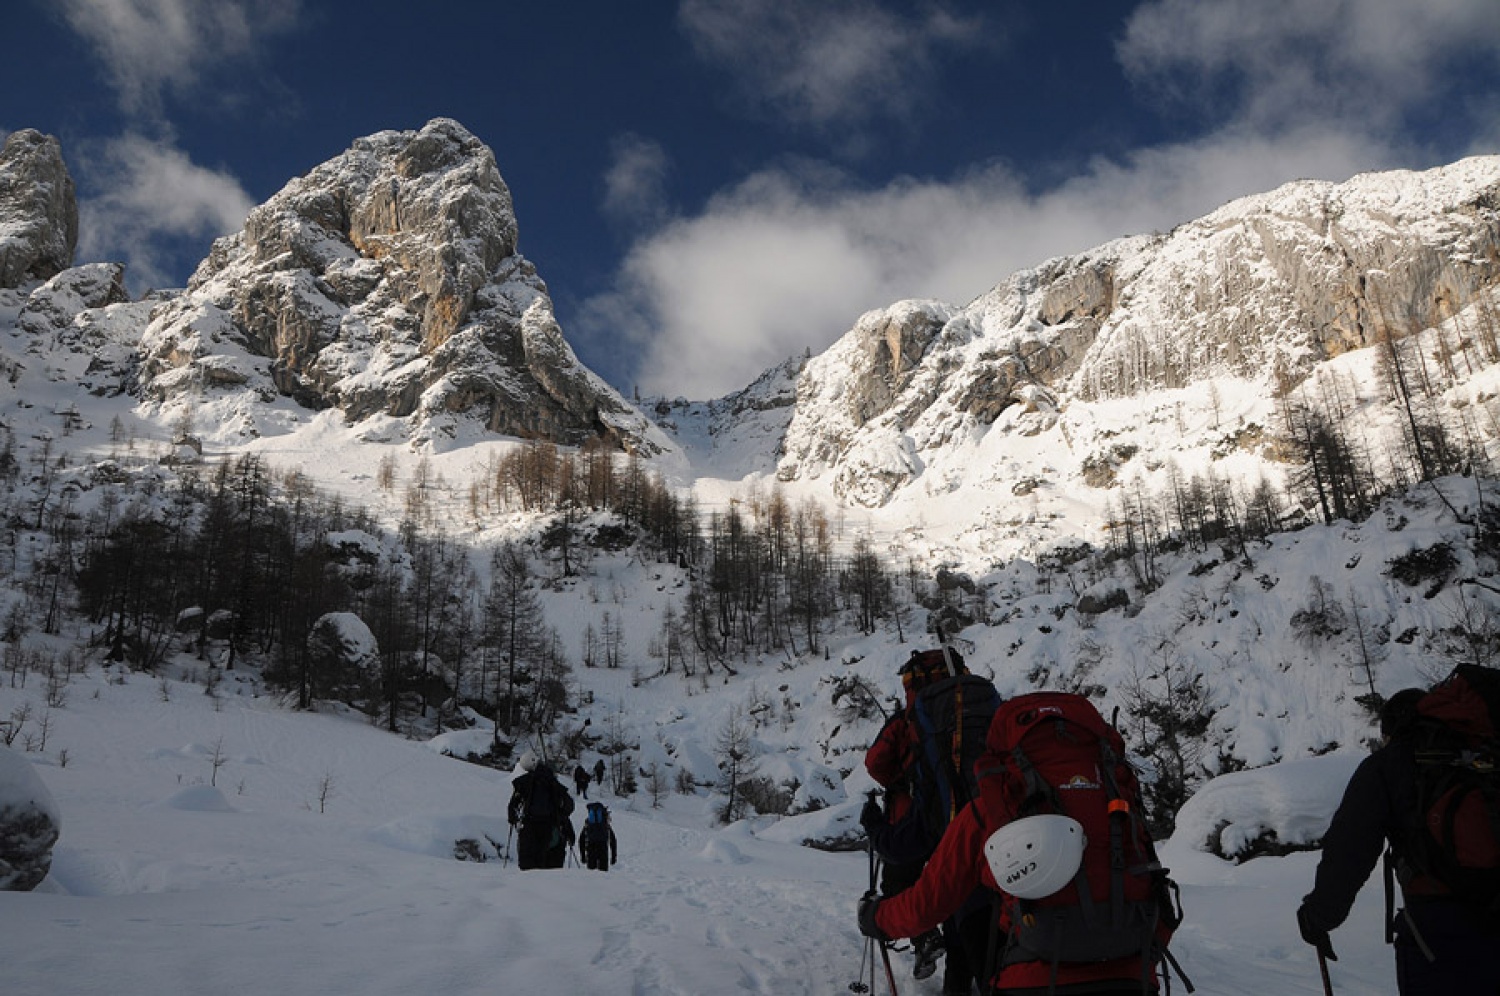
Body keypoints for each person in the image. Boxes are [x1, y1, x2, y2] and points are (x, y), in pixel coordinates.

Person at [1297, 687, 1500, 994]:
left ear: (1391, 730)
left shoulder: (1389, 764)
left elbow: (1351, 848)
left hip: (1437, 929)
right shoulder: (1485, 753)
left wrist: (1319, 916)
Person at [860, 649, 985, 995]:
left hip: (915, 815)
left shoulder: (910, 721)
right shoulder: (977, 714)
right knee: (965, 900)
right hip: (983, 817)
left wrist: (898, 786)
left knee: (904, 881)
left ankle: (923, 937)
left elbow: (874, 763)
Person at [506, 751, 575, 870]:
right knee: (548, 864)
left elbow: (513, 806)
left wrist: (514, 820)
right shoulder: (552, 782)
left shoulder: (524, 782)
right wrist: (561, 818)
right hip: (550, 827)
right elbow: (568, 804)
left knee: (529, 864)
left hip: (529, 826)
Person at [579, 802, 618, 872]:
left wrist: (583, 856)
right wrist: (613, 857)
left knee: (591, 874)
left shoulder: (589, 822)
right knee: (603, 874)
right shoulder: (604, 823)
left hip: (591, 848)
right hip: (603, 848)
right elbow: (613, 840)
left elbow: (581, 839)